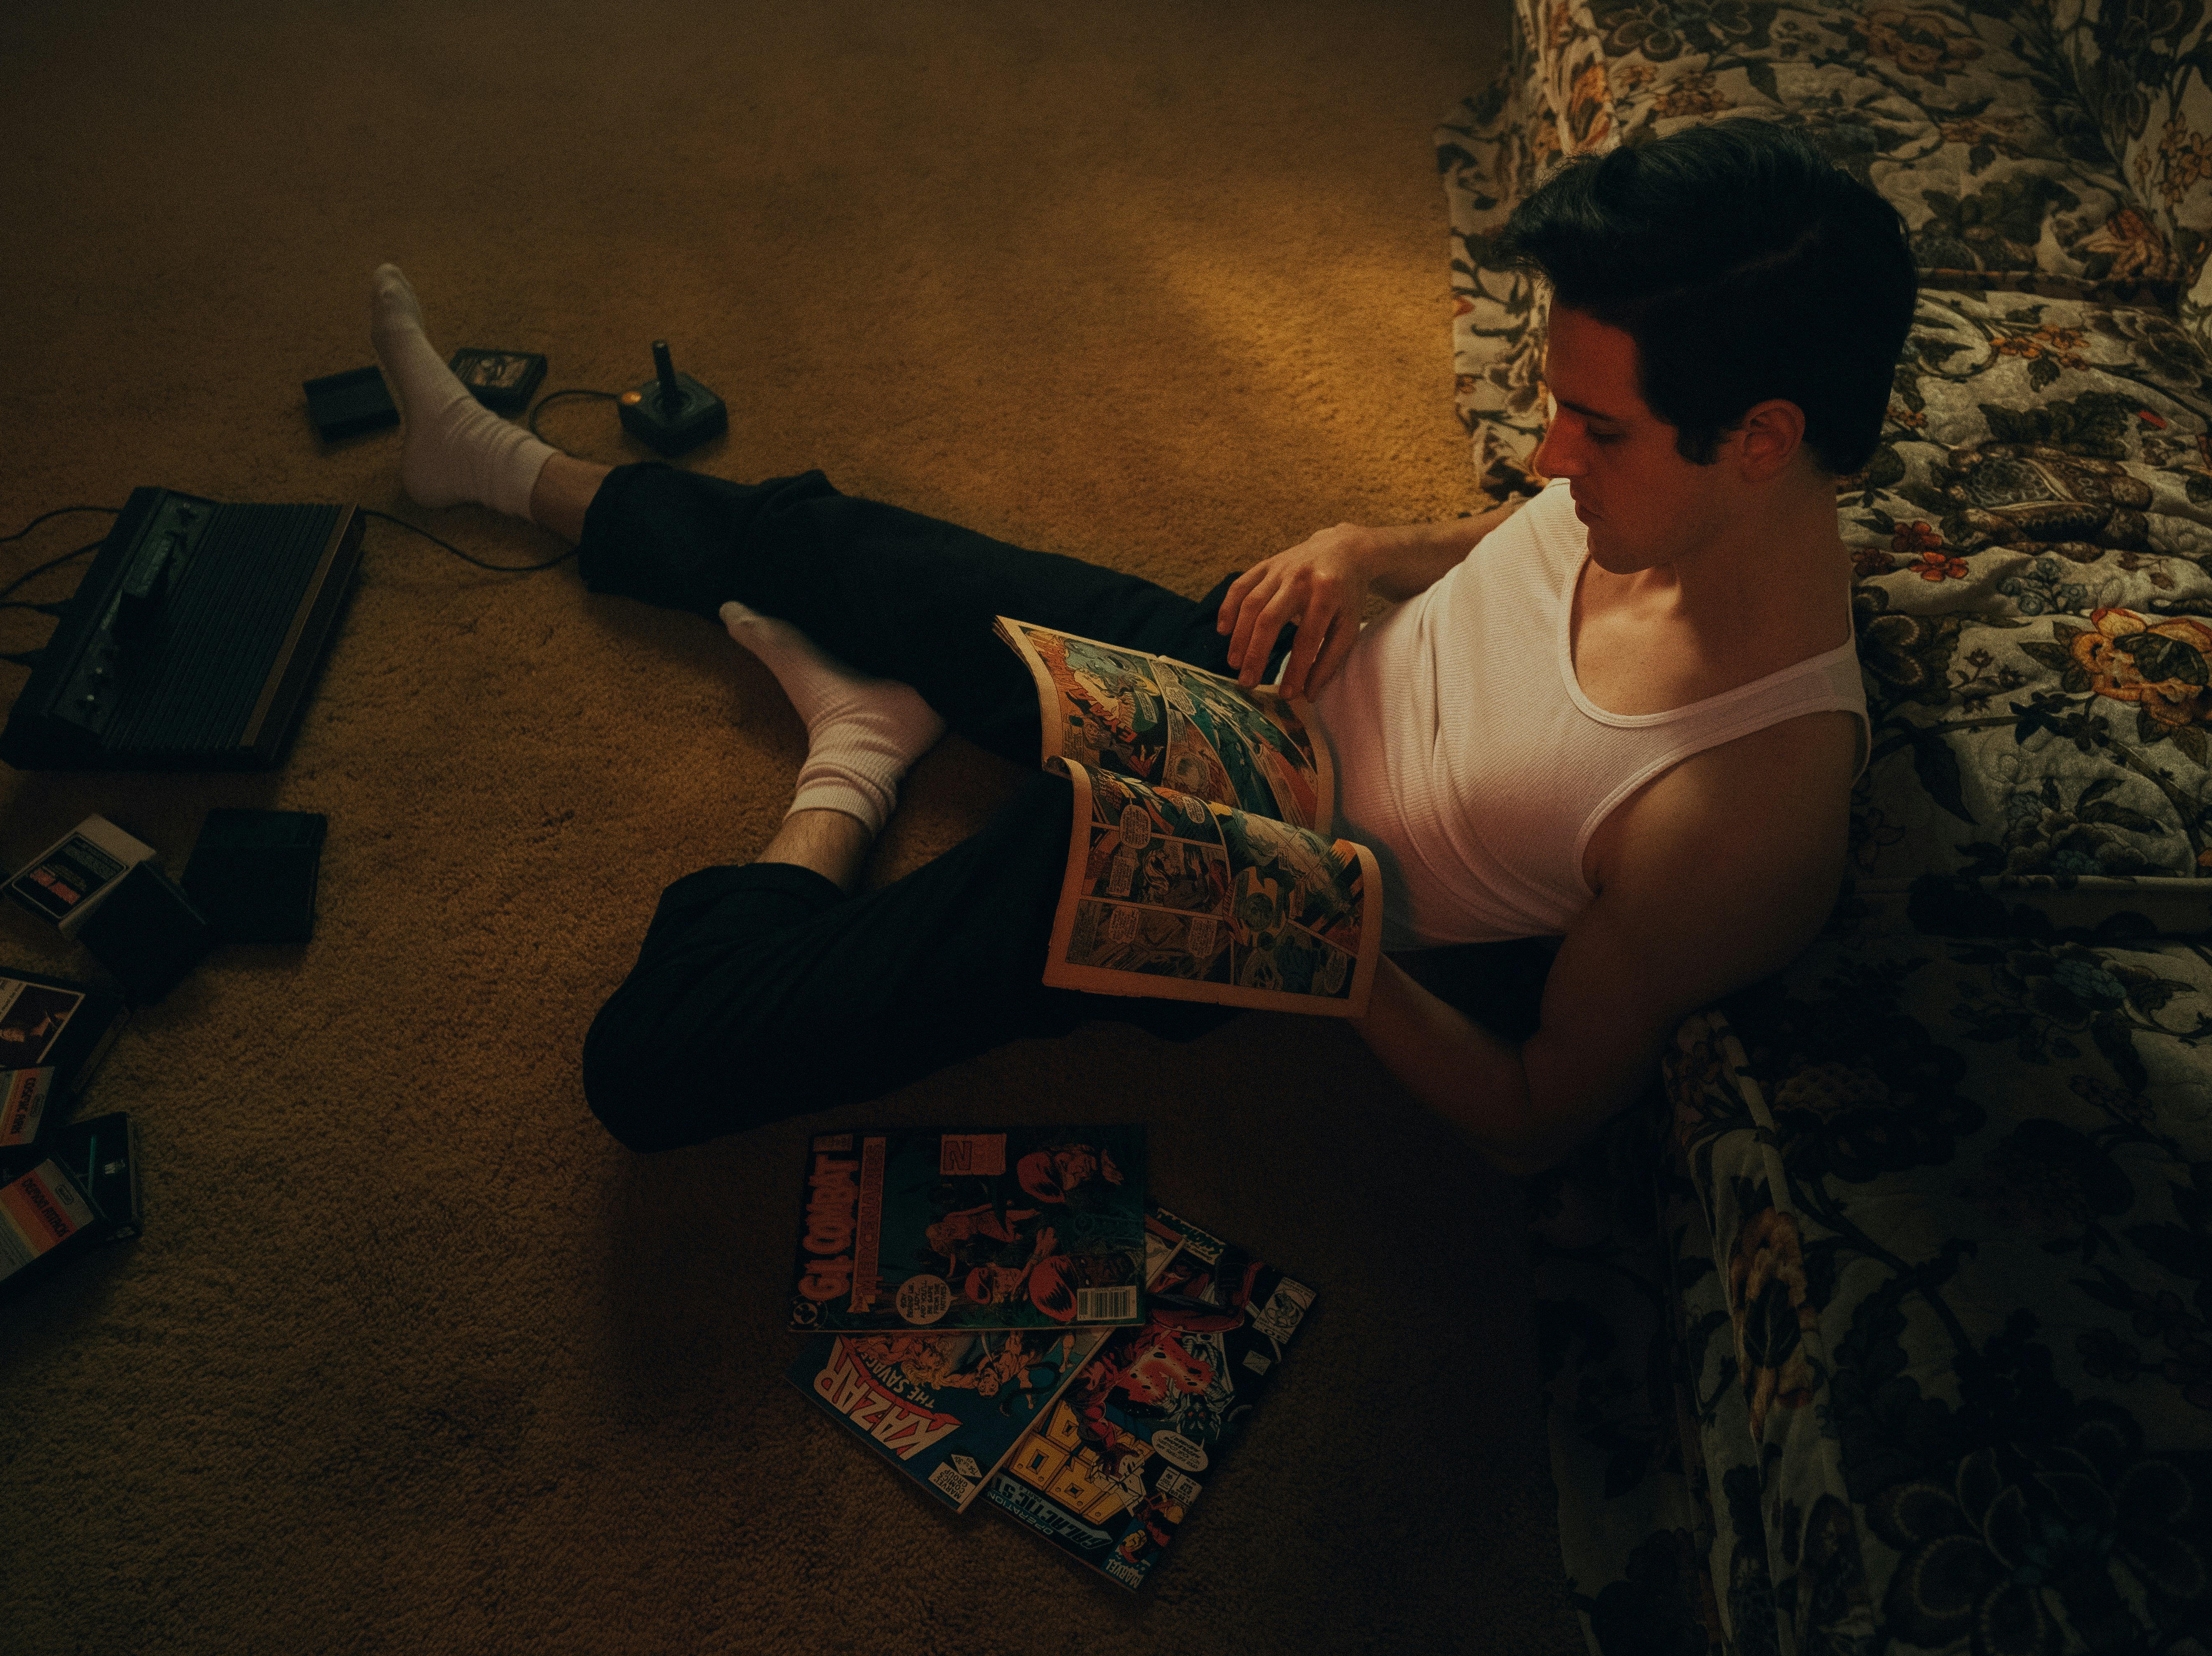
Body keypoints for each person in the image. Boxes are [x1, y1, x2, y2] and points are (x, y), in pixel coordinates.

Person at [365, 117, 1914, 1175]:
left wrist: (1331, 950)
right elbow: (1518, 543)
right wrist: (1366, 552)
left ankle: (845, 771)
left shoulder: (1742, 814)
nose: (1547, 457)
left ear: (1764, 439)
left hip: (1235, 890)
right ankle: (500, 469)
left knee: (656, 1065)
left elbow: (1530, 1120)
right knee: (853, 550)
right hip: (1249, 675)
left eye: (1598, 426)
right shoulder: (1683, 493)